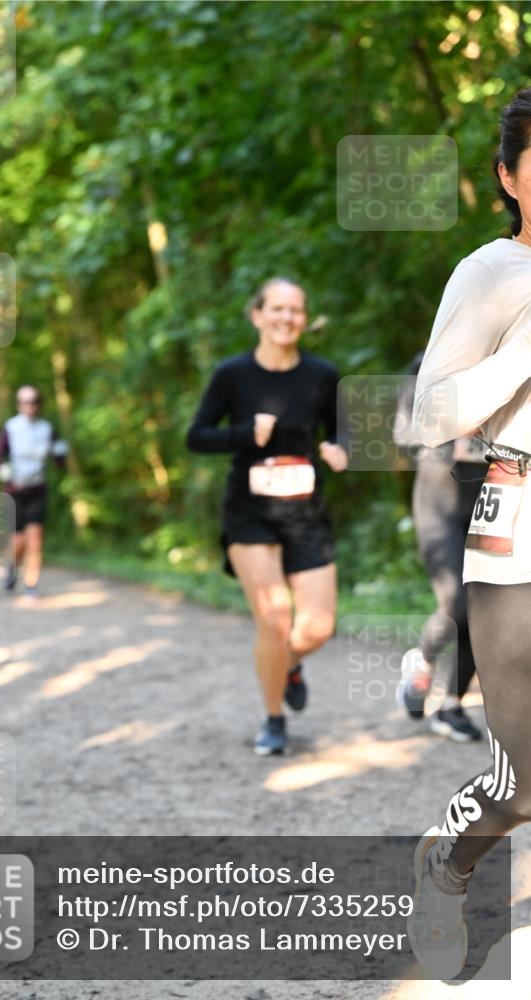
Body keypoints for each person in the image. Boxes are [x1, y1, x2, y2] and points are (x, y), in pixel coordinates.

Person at [407, 87, 531, 979]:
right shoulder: (492, 273)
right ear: (508, 176)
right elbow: (430, 411)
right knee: (524, 782)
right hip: (517, 531)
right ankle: (443, 864)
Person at [187, 277, 348, 756]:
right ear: (257, 315)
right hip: (250, 512)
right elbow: (196, 437)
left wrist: (341, 449)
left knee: (317, 627)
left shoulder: (323, 374)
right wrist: (243, 434)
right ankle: (273, 718)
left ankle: (289, 665)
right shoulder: (232, 375)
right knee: (275, 619)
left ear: (305, 318)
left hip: (306, 513)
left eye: (296, 310)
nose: (287, 318)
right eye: (277, 308)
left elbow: (346, 432)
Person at [394, 352, 487, 742]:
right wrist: (453, 438)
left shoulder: (505, 365)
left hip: (488, 506)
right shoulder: (428, 365)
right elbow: (403, 435)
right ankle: (423, 659)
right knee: (455, 603)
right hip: (438, 507)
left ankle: (452, 706)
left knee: (483, 609)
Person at [0, 385, 67, 600]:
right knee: (18, 541)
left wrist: (60, 455)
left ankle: (31, 584)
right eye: (25, 402)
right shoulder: (11, 427)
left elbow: (59, 457)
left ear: (39, 404)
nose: (30, 406)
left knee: (35, 538)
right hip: (15, 490)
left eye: (33, 401)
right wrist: (2, 469)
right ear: (19, 404)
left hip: (37, 489)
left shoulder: (47, 428)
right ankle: (12, 568)